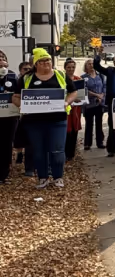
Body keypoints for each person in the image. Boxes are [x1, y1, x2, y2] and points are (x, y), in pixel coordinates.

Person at [12, 48, 77, 189]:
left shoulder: (60, 75)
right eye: (42, 61)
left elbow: (73, 92)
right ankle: (43, 178)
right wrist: (23, 106)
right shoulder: (26, 78)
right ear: (36, 64)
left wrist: (66, 102)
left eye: (48, 60)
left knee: (57, 150)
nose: (46, 63)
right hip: (34, 122)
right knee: (39, 150)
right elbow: (15, 97)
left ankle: (58, 177)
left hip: (58, 120)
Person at [94, 51, 115, 157]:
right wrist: (99, 54)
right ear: (113, 62)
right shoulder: (109, 71)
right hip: (113, 102)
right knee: (112, 126)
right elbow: (96, 66)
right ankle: (111, 149)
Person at [81, 59, 106, 151]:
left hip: (99, 103)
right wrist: (96, 95)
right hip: (89, 104)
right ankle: (87, 143)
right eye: (89, 64)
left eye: (92, 64)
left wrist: (101, 96)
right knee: (89, 124)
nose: (91, 66)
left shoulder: (101, 76)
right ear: (86, 66)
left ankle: (100, 142)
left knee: (99, 123)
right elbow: (83, 90)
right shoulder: (83, 77)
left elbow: (104, 86)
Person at [0, 57, 18, 184]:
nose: (1, 61)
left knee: (7, 143)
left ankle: (4, 174)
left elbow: (18, 92)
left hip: (9, 116)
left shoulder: (12, 76)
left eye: (3, 59)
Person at [14, 61, 32, 173]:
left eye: (29, 69)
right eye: (25, 69)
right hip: (18, 114)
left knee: (30, 140)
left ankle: (29, 166)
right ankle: (19, 153)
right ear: (20, 70)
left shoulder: (32, 80)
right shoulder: (17, 81)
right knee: (19, 137)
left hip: (30, 115)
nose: (27, 71)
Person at [64, 59, 83, 162]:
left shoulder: (78, 79)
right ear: (65, 68)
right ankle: (65, 152)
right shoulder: (62, 79)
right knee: (67, 129)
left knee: (74, 128)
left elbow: (82, 93)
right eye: (69, 67)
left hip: (76, 107)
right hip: (66, 107)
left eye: (73, 67)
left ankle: (71, 153)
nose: (71, 69)